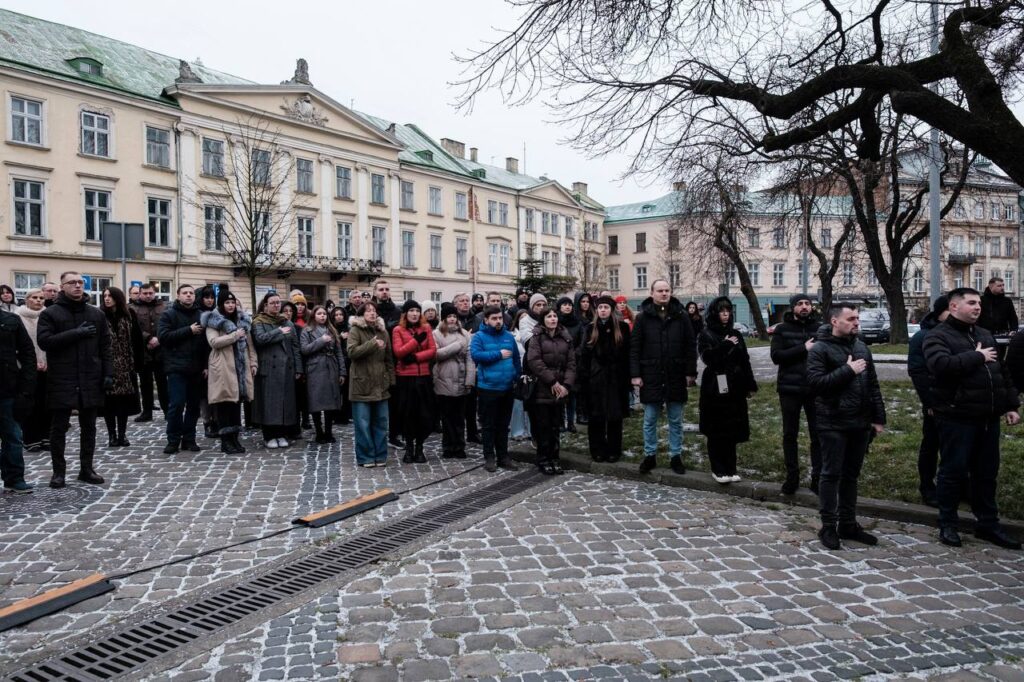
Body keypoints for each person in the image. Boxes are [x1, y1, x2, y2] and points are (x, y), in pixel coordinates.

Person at [924, 287, 1022, 549]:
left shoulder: (984, 334)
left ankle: (988, 525)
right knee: (953, 472)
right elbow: (940, 366)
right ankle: (948, 524)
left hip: (988, 417)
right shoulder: (938, 336)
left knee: (987, 473)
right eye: (971, 303)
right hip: (957, 416)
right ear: (954, 307)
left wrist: (1011, 405)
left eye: (978, 302)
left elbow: (1002, 372)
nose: (977, 307)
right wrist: (977, 356)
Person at [806, 303, 886, 551]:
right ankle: (828, 526)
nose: (856, 322)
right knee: (831, 475)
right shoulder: (820, 349)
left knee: (851, 476)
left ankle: (848, 524)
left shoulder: (861, 347)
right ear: (834, 321)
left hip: (860, 422)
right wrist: (847, 370)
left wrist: (878, 418)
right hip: (832, 421)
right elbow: (816, 384)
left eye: (857, 318)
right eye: (851, 319)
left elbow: (873, 384)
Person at [37, 271, 112, 488]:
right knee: (59, 427)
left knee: (89, 427)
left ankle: (86, 469)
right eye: (72, 282)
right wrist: (76, 333)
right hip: (62, 376)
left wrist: (108, 373)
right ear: (62, 287)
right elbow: (45, 341)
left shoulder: (96, 314)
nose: (78, 286)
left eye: (80, 282)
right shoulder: (50, 313)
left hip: (90, 376)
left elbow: (106, 347)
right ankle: (58, 472)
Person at [630, 280, 697, 475]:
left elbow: (690, 346)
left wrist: (690, 372)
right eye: (660, 290)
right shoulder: (642, 317)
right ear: (652, 293)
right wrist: (635, 374)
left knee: (675, 420)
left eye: (667, 290)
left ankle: (676, 456)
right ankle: (650, 455)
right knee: (650, 419)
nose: (664, 293)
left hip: (675, 374)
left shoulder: (681, 316)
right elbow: (634, 348)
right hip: (651, 375)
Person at [698, 297, 758, 484]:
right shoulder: (706, 334)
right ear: (714, 313)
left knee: (732, 428)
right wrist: (725, 345)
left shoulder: (736, 333)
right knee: (717, 428)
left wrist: (750, 384)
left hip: (735, 385)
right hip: (715, 385)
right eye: (721, 311)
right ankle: (718, 468)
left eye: (728, 310)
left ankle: (731, 468)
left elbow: (744, 359)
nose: (725, 314)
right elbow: (708, 358)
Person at [770, 293, 823, 495]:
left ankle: (818, 478)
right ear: (793, 308)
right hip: (789, 389)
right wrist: (803, 348)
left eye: (807, 303)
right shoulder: (782, 329)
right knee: (789, 434)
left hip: (815, 389)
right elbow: (776, 357)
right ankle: (792, 477)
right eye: (800, 304)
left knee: (817, 435)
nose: (804, 307)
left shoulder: (820, 329)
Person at [907, 295, 949, 507]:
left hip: (962, 402)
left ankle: (958, 485)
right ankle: (927, 487)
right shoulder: (922, 336)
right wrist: (929, 402)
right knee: (931, 445)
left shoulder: (964, 333)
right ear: (941, 312)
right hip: (935, 402)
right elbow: (917, 371)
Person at [578, 296, 630, 462]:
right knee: (596, 416)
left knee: (615, 417)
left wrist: (627, 378)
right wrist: (585, 377)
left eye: (606, 307)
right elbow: (584, 355)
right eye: (600, 308)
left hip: (616, 378)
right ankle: (597, 449)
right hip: (596, 379)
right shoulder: (590, 328)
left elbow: (626, 354)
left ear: (611, 310)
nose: (603, 310)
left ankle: (614, 450)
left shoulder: (622, 327)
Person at [471, 305, 522, 473]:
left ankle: (503, 456)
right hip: (488, 387)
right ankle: (489, 456)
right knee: (488, 425)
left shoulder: (508, 336)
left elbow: (516, 359)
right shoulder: (479, 336)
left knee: (503, 425)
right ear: (486, 320)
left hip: (507, 387)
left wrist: (516, 376)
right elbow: (476, 356)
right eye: (494, 318)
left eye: (500, 318)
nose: (498, 321)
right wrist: (498, 354)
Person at [204, 290, 256, 454]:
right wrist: (234, 335)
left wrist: (253, 362)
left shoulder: (242, 321)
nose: (231, 305)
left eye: (233, 302)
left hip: (240, 367)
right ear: (221, 304)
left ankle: (235, 438)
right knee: (224, 404)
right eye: (227, 302)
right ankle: (225, 441)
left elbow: (250, 345)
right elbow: (214, 342)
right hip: (223, 367)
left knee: (236, 404)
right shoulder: (213, 321)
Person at [158, 285, 207, 454]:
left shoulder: (201, 315)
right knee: (177, 404)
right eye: (185, 293)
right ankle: (173, 440)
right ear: (178, 296)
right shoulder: (169, 314)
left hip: (196, 368)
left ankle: (189, 439)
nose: (188, 295)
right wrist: (189, 330)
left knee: (194, 406)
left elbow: (206, 344)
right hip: (176, 367)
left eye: (191, 293)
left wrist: (206, 366)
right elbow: (163, 337)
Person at [526, 307, 576, 475]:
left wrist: (566, 385)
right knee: (543, 426)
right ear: (543, 320)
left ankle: (555, 458)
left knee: (556, 427)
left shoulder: (565, 337)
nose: (553, 319)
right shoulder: (537, 337)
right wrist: (552, 381)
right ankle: (543, 459)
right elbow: (534, 361)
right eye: (549, 316)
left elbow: (571, 363)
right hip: (542, 388)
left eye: (555, 316)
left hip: (560, 389)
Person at [252, 291, 303, 449]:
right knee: (269, 404)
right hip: (269, 368)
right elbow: (260, 339)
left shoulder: (286, 322)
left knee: (285, 404)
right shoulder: (258, 321)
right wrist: (278, 332)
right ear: (265, 305)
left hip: (287, 368)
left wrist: (298, 368)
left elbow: (295, 347)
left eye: (278, 302)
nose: (276, 305)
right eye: (272, 303)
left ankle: (282, 434)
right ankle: (269, 436)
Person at [347, 301, 394, 467]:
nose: (372, 313)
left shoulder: (383, 331)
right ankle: (366, 457)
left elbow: (389, 359)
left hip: (381, 384)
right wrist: (372, 344)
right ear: (362, 314)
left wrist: (390, 379)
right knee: (363, 424)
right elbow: (352, 352)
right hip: (361, 384)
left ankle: (380, 455)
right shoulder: (355, 330)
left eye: (374, 310)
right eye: (368, 311)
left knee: (381, 422)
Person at [392, 300, 437, 463]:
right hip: (406, 378)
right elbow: (398, 352)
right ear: (405, 314)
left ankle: (420, 447)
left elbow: (432, 350)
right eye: (411, 310)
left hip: (423, 377)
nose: (415, 314)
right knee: (407, 414)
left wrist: (415, 357)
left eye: (417, 311)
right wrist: (415, 341)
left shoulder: (426, 328)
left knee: (424, 414)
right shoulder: (398, 330)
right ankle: (409, 447)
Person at [100, 287, 143, 447]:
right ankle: (112, 435)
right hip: (108, 365)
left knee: (123, 403)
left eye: (110, 296)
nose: (107, 298)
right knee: (109, 403)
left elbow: (137, 339)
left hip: (126, 365)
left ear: (118, 298)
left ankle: (122, 434)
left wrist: (138, 363)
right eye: (105, 296)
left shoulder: (129, 314)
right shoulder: (100, 315)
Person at [0, 305, 37, 493]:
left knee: (13, 435)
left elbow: (28, 354)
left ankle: (14, 478)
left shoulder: (11, 320)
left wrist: (26, 388)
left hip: (8, 388)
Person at [433, 304, 476, 459]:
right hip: (444, 378)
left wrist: (470, 379)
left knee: (459, 417)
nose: (452, 319)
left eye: (454, 316)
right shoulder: (436, 334)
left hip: (461, 378)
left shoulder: (464, 334)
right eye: (449, 316)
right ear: (444, 318)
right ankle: (448, 446)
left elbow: (470, 358)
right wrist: (456, 346)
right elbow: (436, 354)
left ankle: (459, 446)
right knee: (447, 417)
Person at [301, 305, 347, 444]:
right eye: (319, 314)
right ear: (313, 315)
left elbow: (339, 352)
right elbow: (304, 349)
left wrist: (342, 372)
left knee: (330, 402)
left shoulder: (331, 330)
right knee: (316, 402)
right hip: (315, 368)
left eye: (324, 314)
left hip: (331, 367)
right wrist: (321, 341)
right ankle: (319, 432)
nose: (322, 316)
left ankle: (328, 431)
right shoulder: (307, 330)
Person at [15, 290, 49, 450]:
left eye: (41, 298)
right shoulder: (17, 317)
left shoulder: (48, 316)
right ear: (27, 299)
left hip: (47, 367)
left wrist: (47, 361)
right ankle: (31, 439)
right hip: (25, 368)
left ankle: (46, 436)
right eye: (35, 298)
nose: (38, 300)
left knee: (46, 403)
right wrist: (30, 363)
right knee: (30, 404)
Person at [131, 283, 168, 422]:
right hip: (143, 352)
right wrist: (148, 338)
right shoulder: (132, 308)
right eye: (145, 293)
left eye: (150, 293)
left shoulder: (164, 307)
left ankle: (167, 411)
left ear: (154, 293)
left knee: (163, 384)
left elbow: (168, 325)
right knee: (145, 384)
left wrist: (158, 338)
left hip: (161, 351)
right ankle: (147, 412)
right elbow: (132, 328)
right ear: (140, 294)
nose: (148, 296)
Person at [555, 296, 582, 433]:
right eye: (564, 304)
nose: (567, 307)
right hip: (558, 362)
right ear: (559, 307)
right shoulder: (555, 321)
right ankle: (560, 422)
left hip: (573, 362)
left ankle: (571, 422)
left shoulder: (577, 323)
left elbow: (582, 342)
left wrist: (574, 354)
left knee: (572, 395)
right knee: (559, 393)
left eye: (569, 304)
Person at [196, 285, 218, 439]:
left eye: (212, 297)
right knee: (204, 395)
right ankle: (207, 422)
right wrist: (204, 365)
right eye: (207, 297)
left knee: (216, 392)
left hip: (216, 357)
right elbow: (200, 343)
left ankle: (216, 421)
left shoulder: (216, 313)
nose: (210, 300)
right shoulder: (198, 315)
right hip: (202, 359)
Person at [509, 309, 532, 441]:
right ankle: (517, 430)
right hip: (517, 370)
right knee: (518, 402)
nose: (524, 320)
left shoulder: (533, 333)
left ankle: (530, 430)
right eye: (521, 317)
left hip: (530, 370)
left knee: (530, 401)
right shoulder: (512, 335)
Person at [330, 306, 352, 425]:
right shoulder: (330, 328)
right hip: (335, 361)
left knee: (347, 390)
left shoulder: (349, 328)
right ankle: (335, 415)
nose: (339, 317)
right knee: (336, 390)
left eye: (341, 314)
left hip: (348, 361)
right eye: (336, 315)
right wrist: (339, 337)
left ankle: (345, 415)